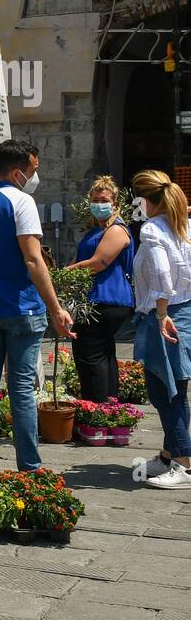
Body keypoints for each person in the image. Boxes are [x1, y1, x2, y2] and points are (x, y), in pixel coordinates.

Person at [0, 139, 74, 474]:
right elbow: (34, 261)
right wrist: (56, 309)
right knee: (21, 388)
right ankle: (30, 469)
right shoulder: (22, 202)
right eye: (34, 170)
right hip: (23, 313)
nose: (36, 176)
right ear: (18, 171)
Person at [130, 170, 191, 489]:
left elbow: (163, 275)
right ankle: (170, 455)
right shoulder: (183, 223)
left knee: (165, 392)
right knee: (175, 388)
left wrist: (163, 312)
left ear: (145, 200)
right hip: (185, 311)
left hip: (163, 315)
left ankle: (183, 463)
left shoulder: (152, 228)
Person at [66, 175, 135, 403]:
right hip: (96, 301)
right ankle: (109, 406)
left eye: (103, 199)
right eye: (94, 200)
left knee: (90, 355)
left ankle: (96, 407)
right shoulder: (96, 231)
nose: (98, 204)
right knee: (103, 354)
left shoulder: (116, 230)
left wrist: (66, 273)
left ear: (115, 203)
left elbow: (99, 263)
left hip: (105, 299)